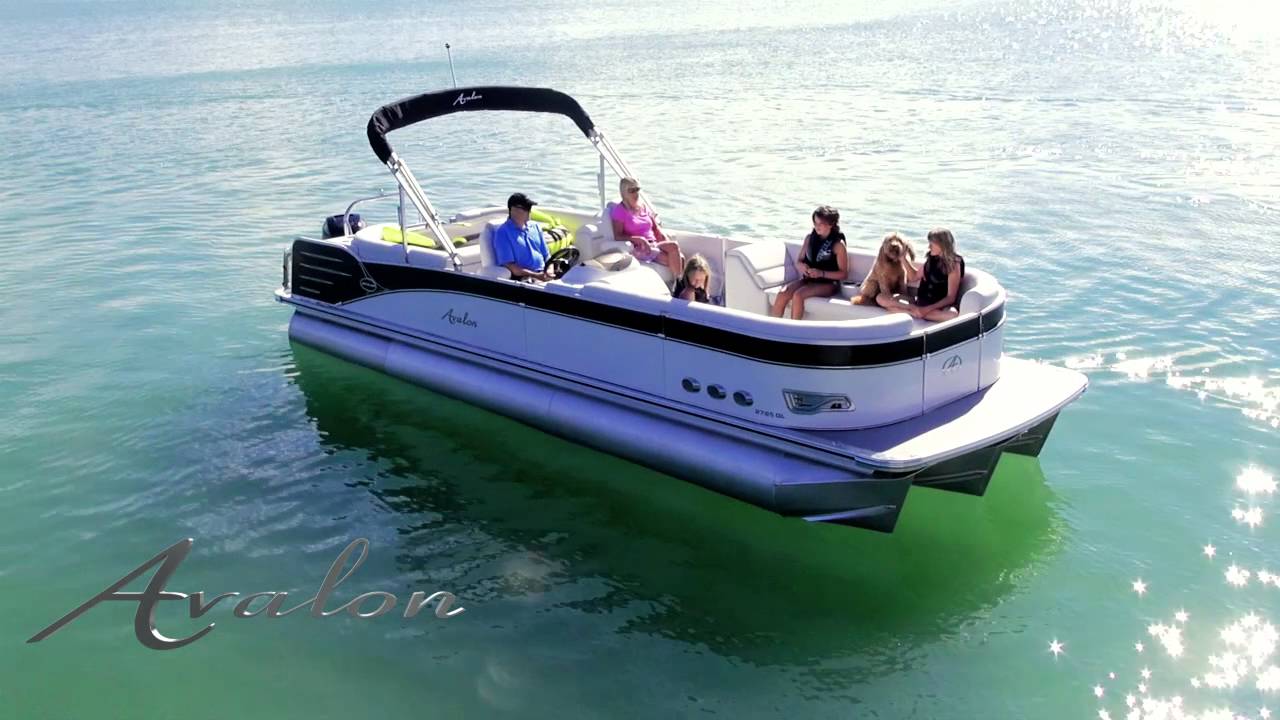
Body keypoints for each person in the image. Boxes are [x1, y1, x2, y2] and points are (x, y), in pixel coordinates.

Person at [769, 205, 848, 320]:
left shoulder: (838, 245)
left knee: (798, 295)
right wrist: (802, 266)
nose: (816, 227)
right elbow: (799, 261)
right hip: (809, 279)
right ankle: (772, 328)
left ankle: (793, 333)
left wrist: (821, 273)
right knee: (782, 293)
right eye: (815, 223)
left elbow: (843, 274)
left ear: (831, 224)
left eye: (820, 224)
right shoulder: (809, 238)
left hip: (829, 284)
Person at [610, 177, 684, 280]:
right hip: (640, 248)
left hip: (654, 243)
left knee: (680, 257)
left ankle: (680, 285)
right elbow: (617, 236)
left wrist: (664, 239)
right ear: (624, 193)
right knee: (674, 255)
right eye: (631, 191)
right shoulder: (620, 211)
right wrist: (637, 239)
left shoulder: (643, 206)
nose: (635, 193)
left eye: (637, 189)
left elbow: (655, 228)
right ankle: (679, 286)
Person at [492, 192, 557, 282]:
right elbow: (512, 267)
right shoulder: (503, 233)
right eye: (526, 208)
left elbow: (547, 256)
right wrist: (536, 275)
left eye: (530, 208)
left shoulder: (535, 226)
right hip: (525, 279)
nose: (530, 211)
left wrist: (550, 271)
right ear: (513, 210)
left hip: (544, 274)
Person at [908, 227, 965, 321]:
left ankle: (911, 312)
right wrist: (903, 259)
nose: (929, 247)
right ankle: (915, 312)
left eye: (932, 244)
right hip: (921, 302)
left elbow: (950, 298)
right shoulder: (932, 257)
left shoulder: (954, 264)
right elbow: (914, 277)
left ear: (942, 245)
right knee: (881, 298)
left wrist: (926, 310)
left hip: (939, 306)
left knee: (952, 315)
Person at [850, 232, 915, 307]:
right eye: (890, 241)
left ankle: (898, 302)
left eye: (899, 242)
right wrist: (887, 298)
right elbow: (883, 285)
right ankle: (885, 302)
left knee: (902, 285)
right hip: (876, 287)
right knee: (874, 286)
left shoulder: (903, 261)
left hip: (892, 290)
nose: (894, 244)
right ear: (884, 245)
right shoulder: (880, 262)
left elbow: (903, 284)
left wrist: (905, 296)